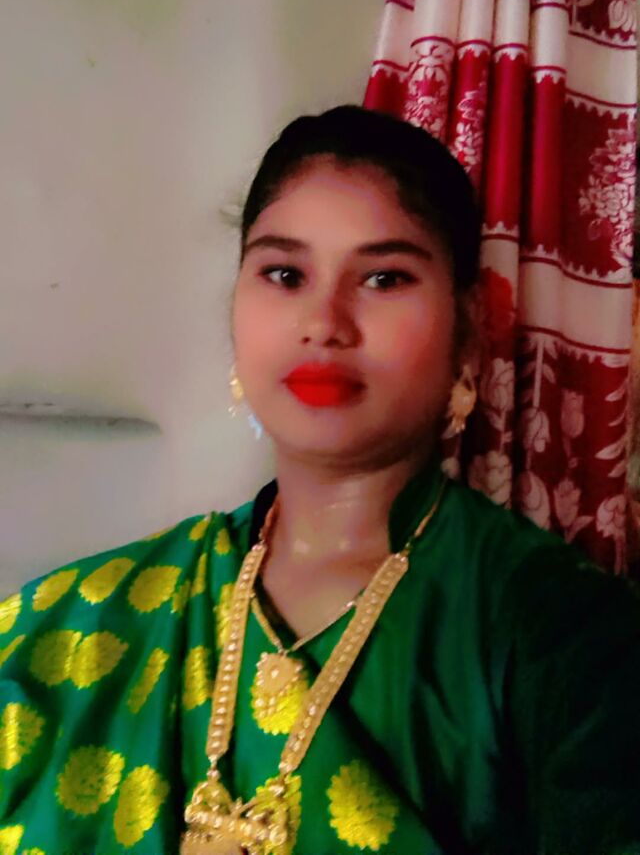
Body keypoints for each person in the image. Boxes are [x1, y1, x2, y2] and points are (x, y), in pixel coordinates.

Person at [0, 104, 639, 855]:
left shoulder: (565, 634)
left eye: (384, 277)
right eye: (284, 274)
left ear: (470, 325)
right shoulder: (80, 624)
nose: (324, 321)